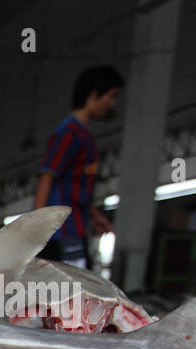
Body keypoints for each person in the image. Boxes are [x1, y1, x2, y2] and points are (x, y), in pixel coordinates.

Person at [34, 65, 124, 270]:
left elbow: (75, 189)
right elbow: (47, 175)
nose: (112, 103)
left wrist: (94, 215)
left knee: (75, 291)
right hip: (60, 233)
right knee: (67, 293)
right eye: (111, 96)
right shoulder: (68, 133)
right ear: (94, 94)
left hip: (75, 230)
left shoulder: (83, 136)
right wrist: (36, 228)